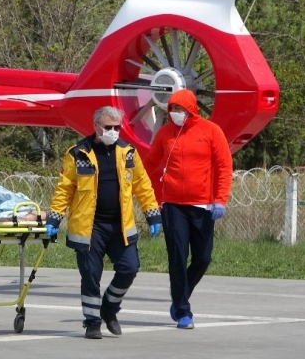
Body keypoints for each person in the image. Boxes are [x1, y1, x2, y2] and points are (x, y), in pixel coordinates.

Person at [46, 106, 162, 339]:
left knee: (129, 268)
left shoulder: (128, 152)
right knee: (90, 275)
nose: (113, 131)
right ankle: (92, 322)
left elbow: (142, 184)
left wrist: (152, 213)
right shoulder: (77, 153)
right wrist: (54, 218)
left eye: (117, 127)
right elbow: (65, 189)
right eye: (108, 127)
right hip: (90, 228)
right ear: (96, 126)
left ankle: (109, 307)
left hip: (121, 225)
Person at [143, 90, 233, 330]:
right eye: (171, 109)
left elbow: (224, 166)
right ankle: (183, 310)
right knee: (177, 257)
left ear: (191, 110)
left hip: (203, 206)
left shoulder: (211, 131)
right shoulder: (164, 134)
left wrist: (221, 199)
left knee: (203, 258)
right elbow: (149, 165)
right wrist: (140, 189)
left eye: (179, 109)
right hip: (172, 206)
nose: (175, 114)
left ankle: (181, 294)